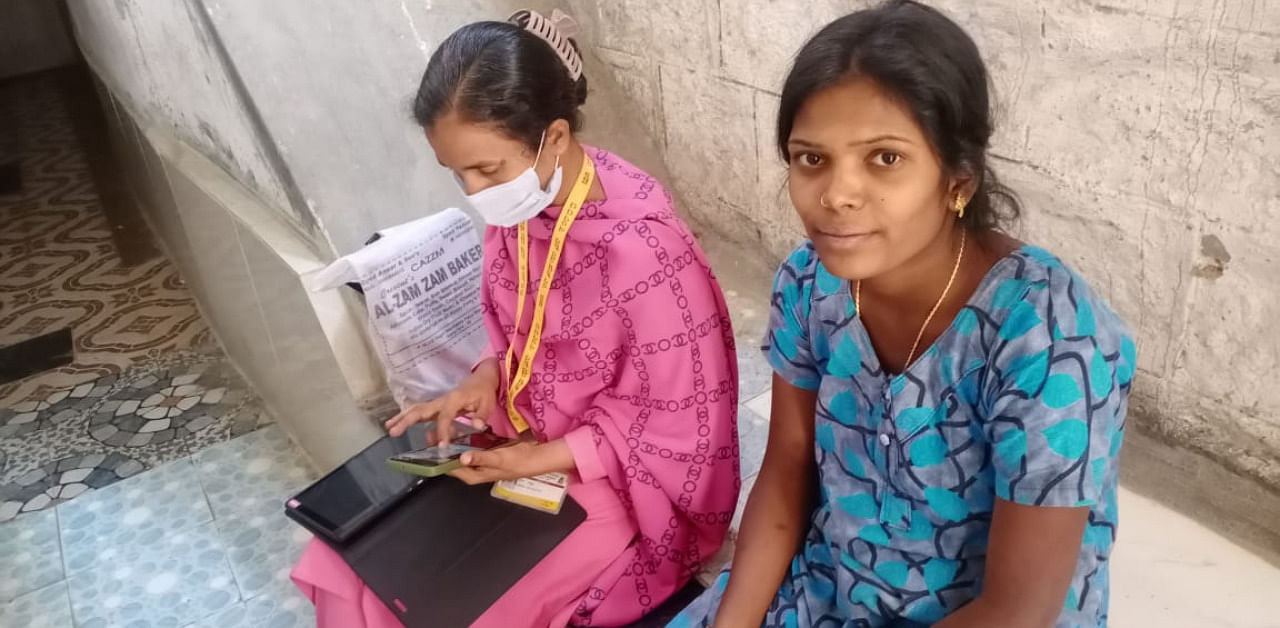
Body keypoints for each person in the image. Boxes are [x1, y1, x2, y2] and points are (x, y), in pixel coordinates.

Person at [670, 2, 1135, 627]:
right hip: (836, 587)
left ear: (958, 179)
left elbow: (1019, 609)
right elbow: (787, 465)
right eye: (812, 158)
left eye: (885, 158)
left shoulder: (1047, 335)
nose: (837, 194)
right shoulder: (810, 284)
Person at [291, 10, 741, 628]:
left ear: (554, 138)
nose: (475, 193)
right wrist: (484, 375)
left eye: (488, 170)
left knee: (449, 605)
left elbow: (682, 426)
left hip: (617, 486)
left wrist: (539, 458)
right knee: (342, 558)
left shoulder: (646, 253)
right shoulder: (522, 210)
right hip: (513, 437)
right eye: (457, 173)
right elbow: (524, 336)